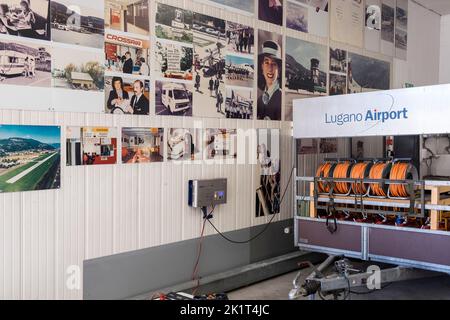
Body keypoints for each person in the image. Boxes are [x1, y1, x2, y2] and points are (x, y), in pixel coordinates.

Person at [257, 40, 282, 121]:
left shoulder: (281, 98)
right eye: (266, 62)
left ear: (279, 69)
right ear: (262, 66)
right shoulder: (259, 100)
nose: (270, 68)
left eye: (274, 64)